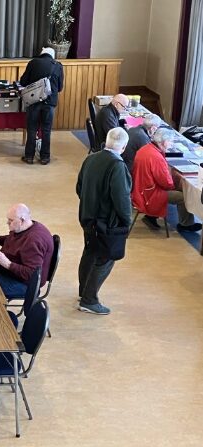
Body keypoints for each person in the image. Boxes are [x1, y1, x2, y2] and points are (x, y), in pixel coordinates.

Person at [76, 127, 132, 315]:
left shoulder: (90, 159)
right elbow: (121, 199)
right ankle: (89, 299)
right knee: (105, 259)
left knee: (89, 252)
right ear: (124, 147)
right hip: (105, 224)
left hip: (87, 217)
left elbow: (79, 188)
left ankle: (83, 290)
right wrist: (126, 222)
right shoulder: (117, 166)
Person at [131, 128, 201, 232]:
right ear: (164, 142)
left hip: (140, 188)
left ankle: (152, 217)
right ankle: (185, 224)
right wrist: (175, 186)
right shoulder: (156, 157)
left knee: (180, 187)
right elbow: (166, 183)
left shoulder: (145, 148)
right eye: (171, 141)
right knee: (183, 197)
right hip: (150, 194)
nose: (172, 144)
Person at [0, 204, 54, 299]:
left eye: (11, 220)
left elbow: (32, 274)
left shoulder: (33, 241)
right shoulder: (24, 227)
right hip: (11, 272)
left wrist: (7, 263)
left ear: (22, 220)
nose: (7, 223)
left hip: (25, 284)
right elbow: (15, 241)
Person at [19, 47, 64, 165]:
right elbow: (59, 88)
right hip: (49, 103)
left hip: (34, 102)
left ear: (42, 54)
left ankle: (29, 156)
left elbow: (23, 82)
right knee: (46, 130)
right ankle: (45, 157)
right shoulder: (58, 65)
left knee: (32, 129)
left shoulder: (33, 63)